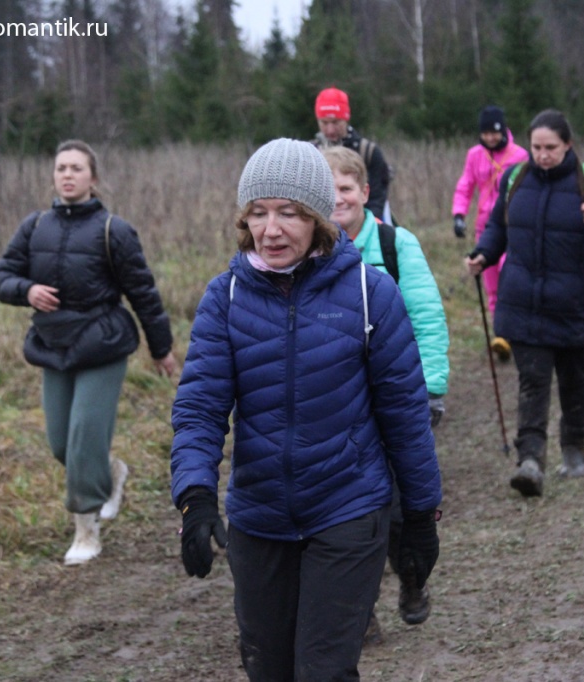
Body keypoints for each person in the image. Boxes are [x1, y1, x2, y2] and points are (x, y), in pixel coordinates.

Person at [171, 139, 442, 680]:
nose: (270, 230)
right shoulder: (225, 298)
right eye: (258, 212)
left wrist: (419, 515)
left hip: (348, 509)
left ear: (318, 218)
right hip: (259, 516)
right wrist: (194, 497)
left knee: (323, 671)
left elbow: (405, 415)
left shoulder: (370, 292)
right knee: (268, 669)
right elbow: (200, 407)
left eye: (288, 213)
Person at [0, 139, 176, 566]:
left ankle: (86, 531)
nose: (68, 175)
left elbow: (143, 294)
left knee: (83, 440)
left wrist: (161, 349)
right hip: (53, 344)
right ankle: (112, 472)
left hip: (102, 344)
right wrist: (26, 290)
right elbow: (1, 275)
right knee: (61, 443)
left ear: (93, 178)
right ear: (53, 176)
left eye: (76, 168)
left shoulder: (115, 230)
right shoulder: (35, 226)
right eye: (61, 168)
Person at [465, 110, 584, 497]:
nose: (542, 155)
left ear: (568, 145)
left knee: (574, 380)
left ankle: (574, 447)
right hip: (523, 301)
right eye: (537, 147)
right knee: (533, 380)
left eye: (551, 148)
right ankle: (530, 460)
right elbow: (498, 228)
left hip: (574, 302)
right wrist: (483, 255)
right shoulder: (514, 178)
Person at [323, 144, 449, 635]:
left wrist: (431, 388)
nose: (338, 199)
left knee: (397, 509)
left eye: (346, 188)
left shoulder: (396, 245)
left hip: (394, 399)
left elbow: (426, 315)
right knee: (348, 513)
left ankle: (412, 576)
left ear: (365, 191)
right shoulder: (307, 251)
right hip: (336, 404)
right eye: (328, 189)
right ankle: (361, 608)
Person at [451, 105, 529, 360]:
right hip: (485, 229)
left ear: (503, 130)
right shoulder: (475, 155)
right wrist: (459, 214)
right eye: (485, 133)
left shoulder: (520, 155)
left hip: (513, 227)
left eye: (494, 133)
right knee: (492, 287)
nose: (490, 138)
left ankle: (519, 331)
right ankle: (501, 336)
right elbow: (465, 185)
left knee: (511, 282)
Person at [311, 87, 394, 223]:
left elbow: (377, 198)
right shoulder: (309, 153)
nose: (330, 130)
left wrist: (366, 228)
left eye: (336, 122)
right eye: (324, 123)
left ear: (346, 119)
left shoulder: (368, 151)